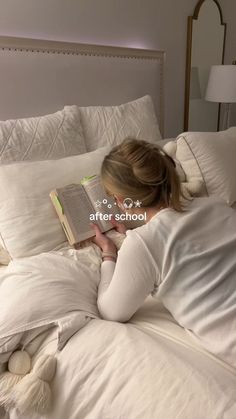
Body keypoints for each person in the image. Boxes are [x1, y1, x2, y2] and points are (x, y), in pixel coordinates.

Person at [91, 138, 236, 368]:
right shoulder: (215, 204)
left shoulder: (143, 243)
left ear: (122, 200)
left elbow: (111, 311)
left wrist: (109, 254)